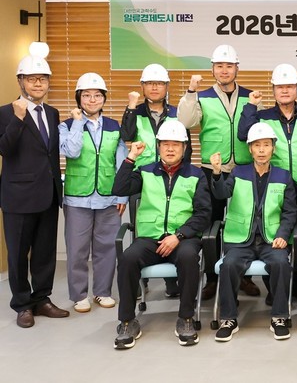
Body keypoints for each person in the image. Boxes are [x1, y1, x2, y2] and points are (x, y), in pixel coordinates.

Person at [112, 121, 211, 349]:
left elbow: (204, 214)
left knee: (188, 258)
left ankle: (186, 318)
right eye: (165, 144)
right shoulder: (145, 171)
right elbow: (119, 188)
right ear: (158, 147)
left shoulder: (196, 175)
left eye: (176, 144)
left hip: (182, 239)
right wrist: (131, 158)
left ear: (184, 148)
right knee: (127, 259)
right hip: (149, 239)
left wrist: (179, 235)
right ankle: (127, 321)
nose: (170, 149)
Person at [178, 44, 260, 300]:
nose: (224, 70)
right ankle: (212, 279)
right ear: (212, 69)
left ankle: (244, 275)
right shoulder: (201, 96)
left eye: (229, 66)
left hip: (244, 170)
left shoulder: (250, 96)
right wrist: (191, 92)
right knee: (210, 226)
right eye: (220, 66)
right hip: (211, 170)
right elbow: (186, 122)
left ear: (237, 68)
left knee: (245, 222)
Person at [237, 64, 297, 302]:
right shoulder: (263, 117)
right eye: (280, 87)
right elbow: (243, 134)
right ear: (273, 90)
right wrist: (251, 106)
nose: (285, 91)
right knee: (272, 236)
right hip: (274, 186)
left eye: (289, 86)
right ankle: (274, 289)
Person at [210, 123, 297, 342]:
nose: (261, 150)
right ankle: (228, 319)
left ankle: (279, 316)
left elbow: (290, 212)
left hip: (271, 240)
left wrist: (282, 235)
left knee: (281, 263)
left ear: (273, 148)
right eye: (257, 145)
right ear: (250, 149)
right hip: (241, 239)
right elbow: (221, 194)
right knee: (229, 265)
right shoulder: (238, 172)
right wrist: (217, 172)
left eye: (266, 145)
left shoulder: (283, 175)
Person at [0, 55, 69, 328]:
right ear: (21, 81)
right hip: (18, 196)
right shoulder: (5, 112)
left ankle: (42, 299)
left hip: (48, 194)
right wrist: (18, 119)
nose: (38, 83)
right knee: (18, 254)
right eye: (32, 79)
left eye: (43, 79)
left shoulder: (52, 113)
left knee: (44, 252)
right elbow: (5, 149)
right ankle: (22, 305)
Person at [59, 72, 127, 313]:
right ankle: (79, 295)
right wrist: (78, 122)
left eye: (97, 95)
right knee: (77, 250)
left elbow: (121, 162)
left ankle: (102, 292)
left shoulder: (114, 126)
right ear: (78, 98)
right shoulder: (67, 125)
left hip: (109, 197)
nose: (92, 100)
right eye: (86, 95)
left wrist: (122, 195)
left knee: (106, 248)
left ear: (104, 98)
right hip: (77, 198)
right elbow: (72, 151)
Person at [120, 63, 186, 298]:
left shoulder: (176, 113)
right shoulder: (135, 112)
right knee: (144, 230)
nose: (154, 87)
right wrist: (130, 106)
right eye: (149, 83)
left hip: (171, 176)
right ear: (142, 86)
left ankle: (171, 282)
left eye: (159, 83)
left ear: (167, 86)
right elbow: (126, 136)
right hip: (143, 178)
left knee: (172, 225)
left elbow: (184, 145)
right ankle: (141, 282)